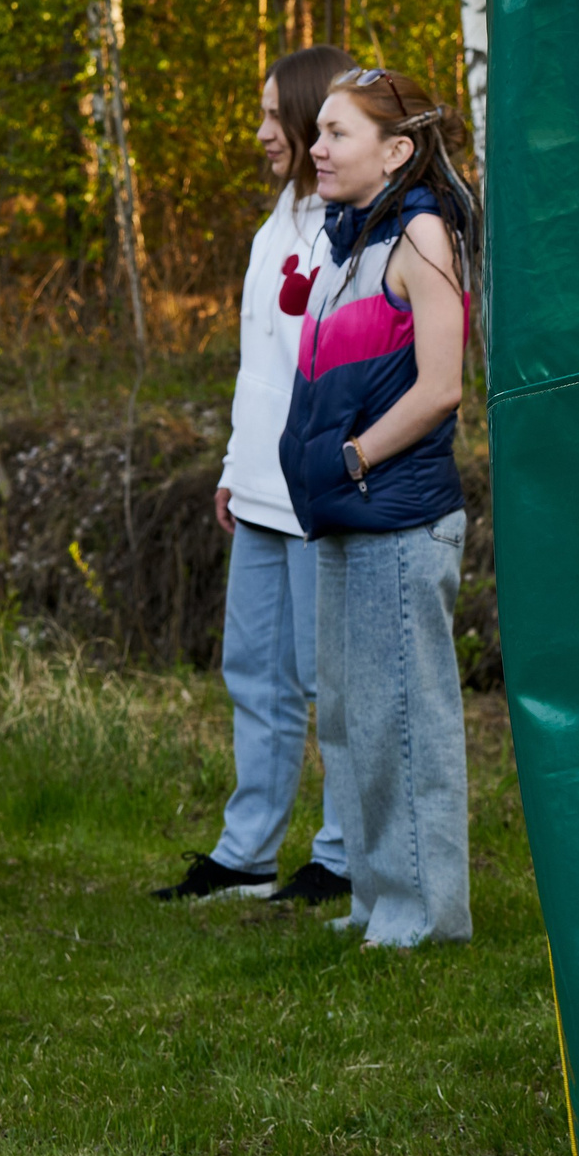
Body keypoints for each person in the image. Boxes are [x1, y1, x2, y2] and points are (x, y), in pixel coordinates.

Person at [277, 67, 477, 950]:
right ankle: (375, 899)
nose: (315, 148)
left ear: (395, 151)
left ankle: (424, 917)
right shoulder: (348, 241)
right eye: (317, 130)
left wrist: (353, 458)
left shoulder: (420, 235)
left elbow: (441, 389)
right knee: (355, 721)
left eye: (336, 133)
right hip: (347, 515)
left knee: (406, 720)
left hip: (397, 516)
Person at [155, 45, 360, 908]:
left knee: (330, 683)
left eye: (276, 114)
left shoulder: (354, 226)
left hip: (321, 493)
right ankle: (246, 852)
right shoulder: (272, 225)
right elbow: (261, 368)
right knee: (254, 672)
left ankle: (345, 853)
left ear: (317, 117)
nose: (262, 132)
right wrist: (236, 470)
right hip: (262, 492)